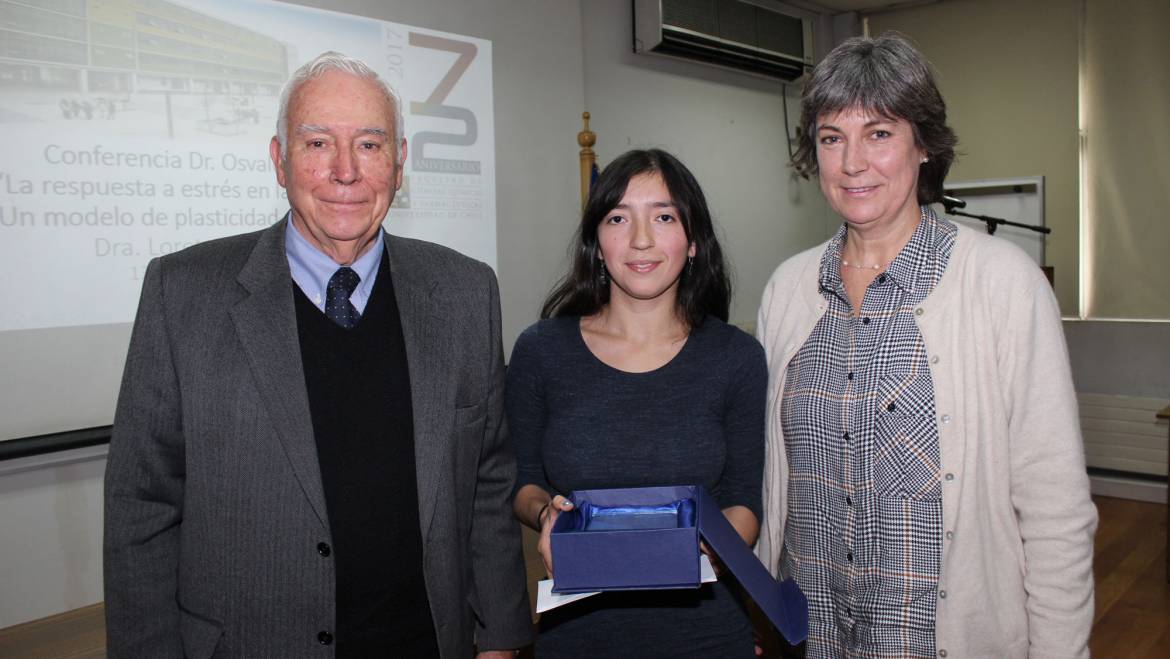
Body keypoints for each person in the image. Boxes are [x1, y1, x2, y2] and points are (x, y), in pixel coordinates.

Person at [103, 52, 532, 658]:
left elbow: (488, 484)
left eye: (369, 144)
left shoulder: (465, 293)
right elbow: (141, 507)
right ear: (279, 160)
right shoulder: (183, 293)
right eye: (316, 143)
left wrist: (500, 639)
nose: (345, 171)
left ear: (401, 163)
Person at [755, 34, 1097, 658]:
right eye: (832, 138)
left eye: (880, 133)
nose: (852, 162)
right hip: (813, 638)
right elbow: (778, 489)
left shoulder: (1001, 285)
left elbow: (1055, 512)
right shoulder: (787, 291)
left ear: (923, 148)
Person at [506, 149, 766, 657]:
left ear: (693, 242)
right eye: (618, 218)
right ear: (597, 245)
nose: (641, 239)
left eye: (664, 217)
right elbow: (521, 482)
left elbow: (743, 500)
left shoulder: (735, 357)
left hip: (707, 636)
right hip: (577, 636)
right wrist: (545, 516)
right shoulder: (541, 350)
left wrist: (695, 549)